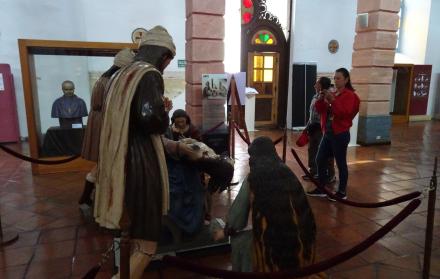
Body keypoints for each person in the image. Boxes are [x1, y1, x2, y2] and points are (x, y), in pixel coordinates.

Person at [94, 25, 199, 279]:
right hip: (140, 161)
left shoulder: (122, 73)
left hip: (119, 159)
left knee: (130, 232)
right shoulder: (149, 74)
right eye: (168, 62)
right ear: (165, 57)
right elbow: (150, 117)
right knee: (146, 242)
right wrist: (163, 114)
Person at [213, 137, 317, 273]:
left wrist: (226, 231)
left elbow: (237, 219)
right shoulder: (288, 172)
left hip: (273, 253)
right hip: (305, 248)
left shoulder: (253, 179)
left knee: (240, 243)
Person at [78, 48, 135, 208]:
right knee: (104, 164)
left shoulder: (103, 78)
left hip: (98, 122)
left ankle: (89, 196)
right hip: (103, 123)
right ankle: (94, 198)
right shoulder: (111, 82)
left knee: (103, 164)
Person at [307, 68, 360, 200]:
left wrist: (332, 100)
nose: (335, 81)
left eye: (338, 78)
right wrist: (320, 99)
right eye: (334, 78)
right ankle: (322, 188)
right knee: (320, 159)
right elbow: (321, 110)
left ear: (346, 79)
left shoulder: (350, 96)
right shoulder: (334, 93)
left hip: (340, 134)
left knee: (341, 163)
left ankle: (342, 192)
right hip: (328, 133)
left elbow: (345, 114)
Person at [303, 77, 335, 184]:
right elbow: (312, 113)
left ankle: (330, 174)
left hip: (322, 128)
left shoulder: (328, 97)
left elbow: (326, 112)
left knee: (325, 152)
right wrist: (307, 126)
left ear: (320, 85)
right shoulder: (315, 96)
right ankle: (313, 171)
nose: (314, 85)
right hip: (313, 127)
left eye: (316, 83)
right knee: (312, 149)